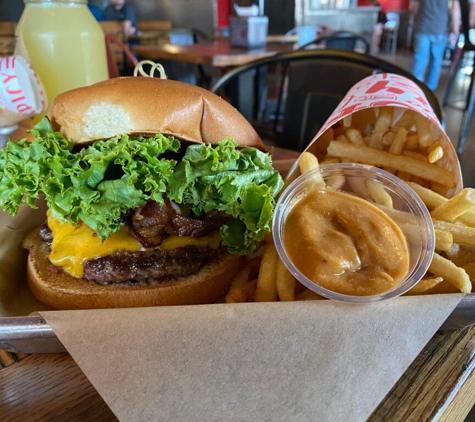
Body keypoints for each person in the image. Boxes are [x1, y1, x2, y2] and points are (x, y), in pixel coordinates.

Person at [410, 0, 460, 91]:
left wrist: (414, 21)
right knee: (436, 61)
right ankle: (430, 90)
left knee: (420, 58)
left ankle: (415, 89)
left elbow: (414, 7)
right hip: (440, 28)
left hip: (422, 26)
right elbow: (455, 8)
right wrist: (456, 30)